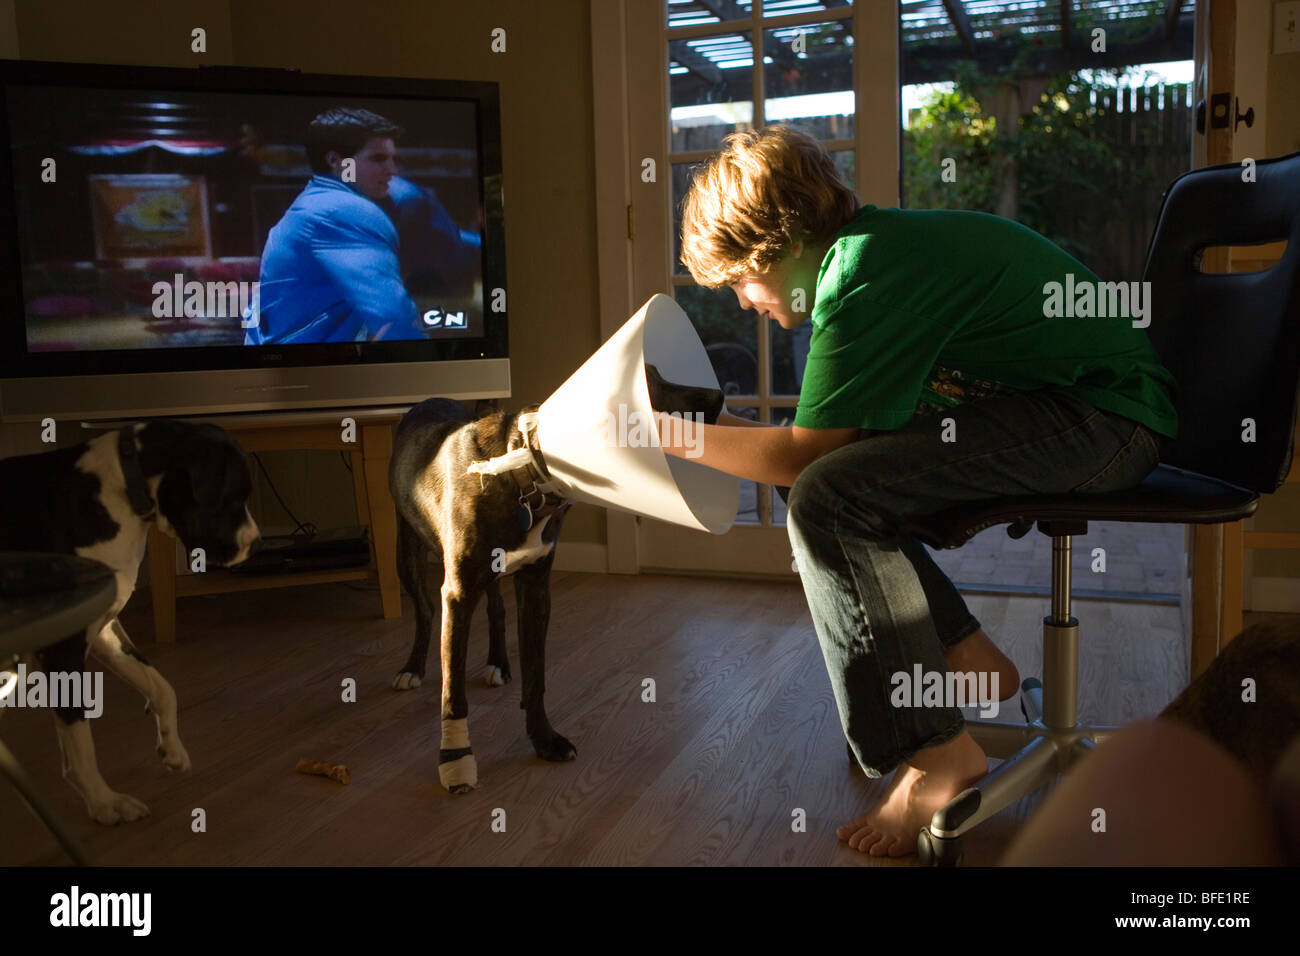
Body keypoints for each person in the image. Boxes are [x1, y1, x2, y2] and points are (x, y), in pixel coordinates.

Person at [660, 125, 1179, 858]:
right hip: (1082, 413)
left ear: (777, 246)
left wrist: (668, 437)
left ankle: (936, 751)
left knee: (825, 498)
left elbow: (802, 460)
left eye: (740, 281)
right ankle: (962, 653)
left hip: (1108, 420)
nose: (744, 304)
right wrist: (705, 426)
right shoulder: (872, 254)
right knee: (855, 478)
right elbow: (837, 444)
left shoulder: (863, 271)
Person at [246, 107, 421, 345]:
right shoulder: (343, 210)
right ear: (337, 162)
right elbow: (393, 319)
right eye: (378, 158)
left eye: (393, 159)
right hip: (318, 372)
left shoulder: (313, 202)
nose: (392, 169)